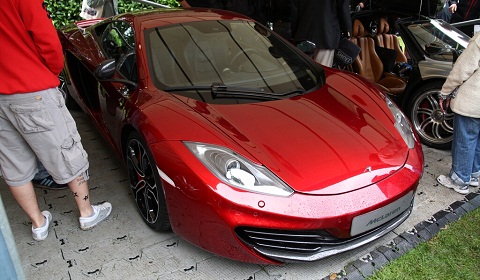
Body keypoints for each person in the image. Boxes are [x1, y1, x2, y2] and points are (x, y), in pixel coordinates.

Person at [0, 0, 112, 241]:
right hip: (32, 88)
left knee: (12, 163)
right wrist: (50, 73)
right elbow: (47, 40)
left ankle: (38, 224)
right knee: (65, 149)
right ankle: (87, 212)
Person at [437, 32, 480, 194]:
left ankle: (459, 180)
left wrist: (445, 91)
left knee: (465, 140)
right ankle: (474, 174)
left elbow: (462, 70)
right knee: (477, 139)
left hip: (473, 100)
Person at [291, 0, 352, 67]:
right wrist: (348, 33)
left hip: (303, 34)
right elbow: (344, 10)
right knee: (323, 72)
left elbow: (295, 10)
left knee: (303, 72)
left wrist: (294, 34)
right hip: (326, 35)